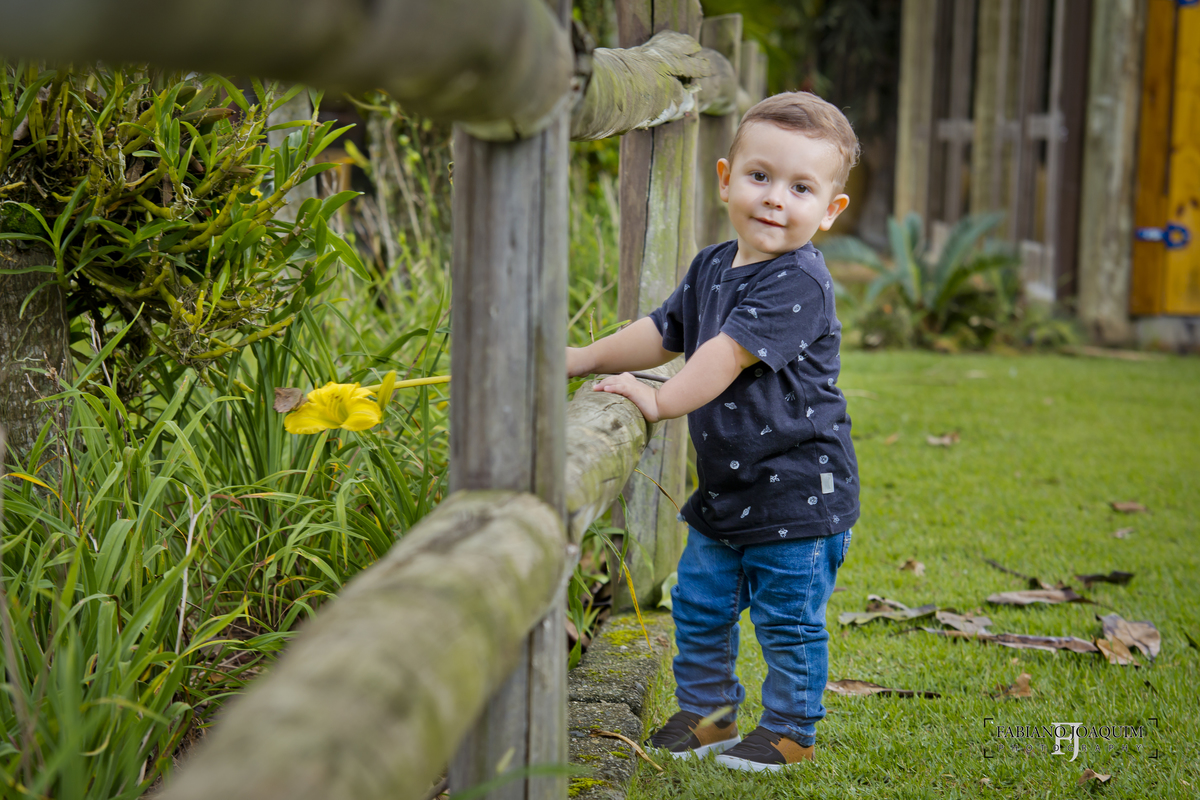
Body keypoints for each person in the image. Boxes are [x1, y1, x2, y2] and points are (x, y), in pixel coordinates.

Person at [565, 91, 860, 772]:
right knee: (699, 604)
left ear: (830, 210)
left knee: (787, 620)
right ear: (726, 179)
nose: (776, 199)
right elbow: (661, 333)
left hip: (798, 495)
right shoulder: (710, 266)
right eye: (760, 176)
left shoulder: (799, 281)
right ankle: (709, 715)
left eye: (801, 188)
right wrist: (583, 358)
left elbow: (722, 357)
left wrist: (657, 402)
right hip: (729, 488)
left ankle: (790, 731)